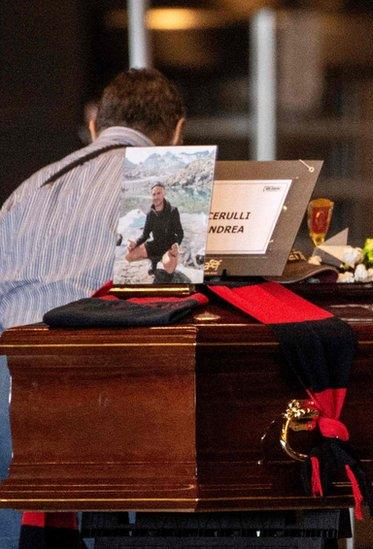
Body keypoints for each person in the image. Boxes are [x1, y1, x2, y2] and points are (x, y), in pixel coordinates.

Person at [0, 68, 186, 548]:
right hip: (111, 406)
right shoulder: (167, 187)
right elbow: (166, 304)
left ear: (94, 123)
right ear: (179, 130)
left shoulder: (28, 189)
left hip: (12, 406)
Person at [124, 182, 184, 279]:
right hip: (155, 245)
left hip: (169, 247)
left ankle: (167, 261)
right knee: (128, 255)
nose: (156, 196)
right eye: (154, 194)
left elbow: (180, 233)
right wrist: (135, 242)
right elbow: (145, 235)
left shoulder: (173, 211)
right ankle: (154, 260)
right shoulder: (150, 214)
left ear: (164, 194)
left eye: (159, 193)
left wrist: (177, 244)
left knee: (169, 269)